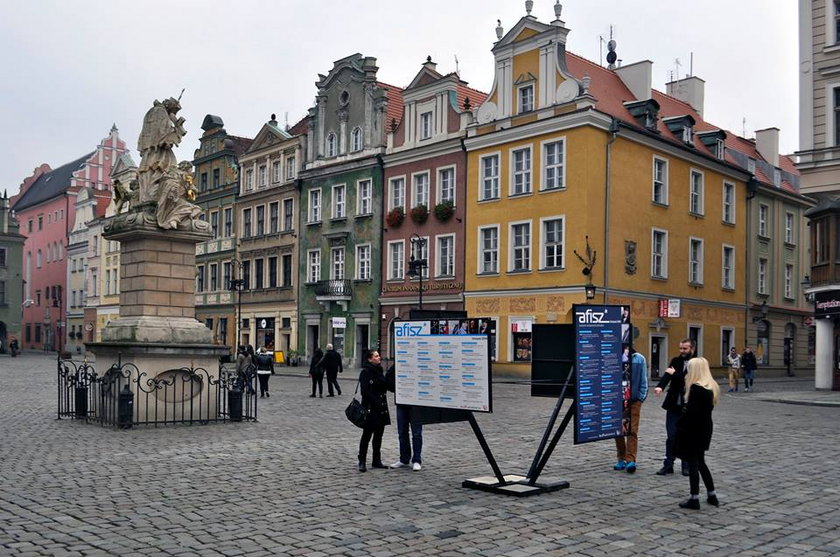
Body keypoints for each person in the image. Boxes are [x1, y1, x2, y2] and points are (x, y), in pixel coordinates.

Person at [675, 357, 720, 510]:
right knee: (701, 462)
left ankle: (694, 498)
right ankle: (712, 494)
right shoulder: (710, 387)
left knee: (693, 463)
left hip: (693, 429)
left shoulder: (696, 388)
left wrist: (680, 423)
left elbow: (691, 414)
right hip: (705, 428)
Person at [654, 338, 695, 476]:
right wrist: (660, 386)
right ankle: (668, 465)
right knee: (671, 436)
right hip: (673, 405)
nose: (682, 351)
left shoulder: (697, 363)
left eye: (685, 349)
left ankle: (686, 465)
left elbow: (688, 379)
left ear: (692, 349)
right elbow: (667, 375)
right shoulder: (675, 361)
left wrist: (675, 374)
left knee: (685, 437)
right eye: (681, 348)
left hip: (688, 407)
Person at [613, 347, 648, 474]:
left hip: (634, 400)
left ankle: (631, 459)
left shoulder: (639, 358)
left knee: (632, 430)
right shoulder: (614, 356)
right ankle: (621, 458)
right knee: (619, 430)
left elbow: (644, 380)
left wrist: (640, 398)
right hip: (618, 400)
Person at [385, 363, 424, 471]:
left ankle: (417, 460)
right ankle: (404, 459)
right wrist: (397, 388)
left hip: (416, 403)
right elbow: (388, 378)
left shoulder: (418, 362)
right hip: (402, 402)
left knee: (416, 433)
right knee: (402, 431)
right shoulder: (399, 363)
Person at [357, 349, 390, 472]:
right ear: (370, 359)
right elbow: (364, 392)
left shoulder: (379, 371)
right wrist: (375, 401)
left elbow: (385, 385)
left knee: (379, 435)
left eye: (378, 355)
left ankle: (376, 460)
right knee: (367, 435)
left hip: (381, 408)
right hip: (370, 408)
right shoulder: (366, 372)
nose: (379, 357)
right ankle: (362, 460)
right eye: (376, 356)